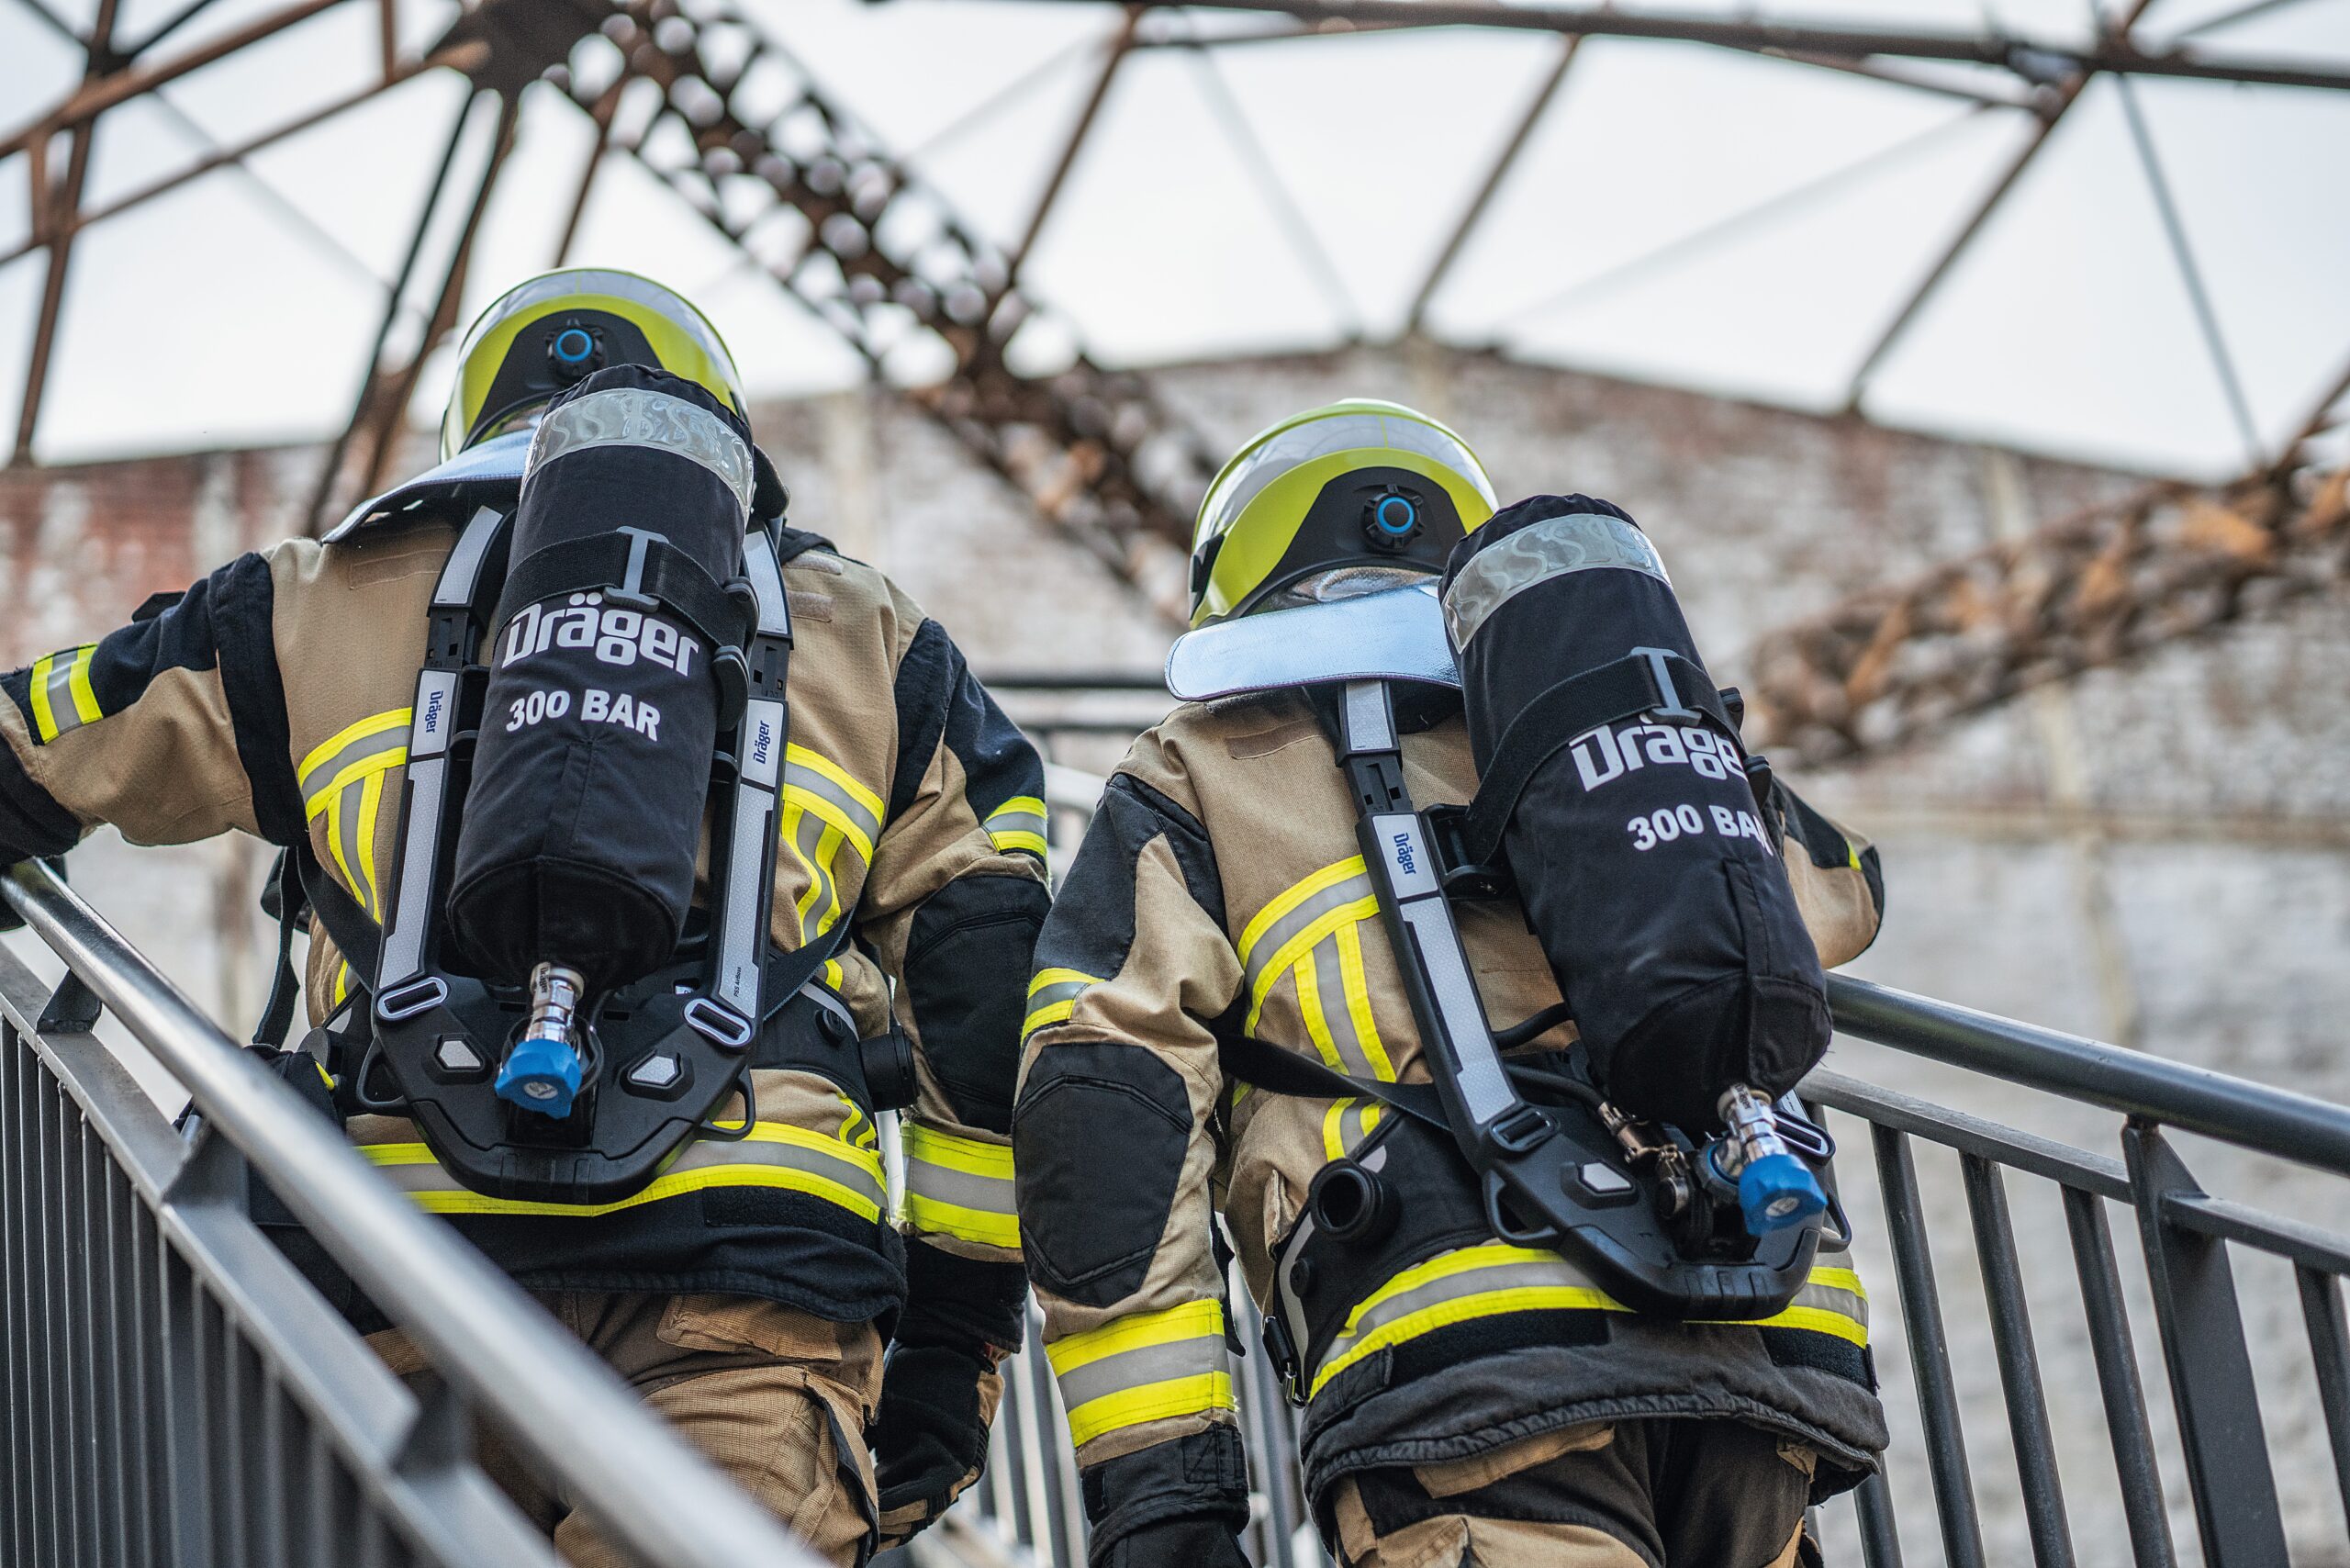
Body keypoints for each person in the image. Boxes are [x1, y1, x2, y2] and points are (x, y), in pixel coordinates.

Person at [0, 268, 1049, 1567]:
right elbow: (988, 993)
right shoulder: (872, 637)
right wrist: (954, 1338)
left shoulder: (308, 601)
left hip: (397, 1262)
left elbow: (37, 739)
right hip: (758, 1261)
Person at [1013, 400, 1887, 1568]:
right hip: (1757, 1337)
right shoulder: (1582, 732)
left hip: (1462, 1354)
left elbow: (1103, 1110)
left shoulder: (1202, 771)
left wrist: (1162, 1489)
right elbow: (1842, 895)